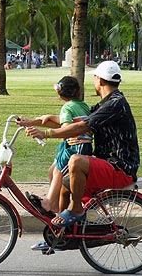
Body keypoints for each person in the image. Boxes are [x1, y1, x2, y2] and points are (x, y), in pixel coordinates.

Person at [25, 61, 140, 228]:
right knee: (65, 184)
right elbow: (71, 122)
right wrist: (31, 122)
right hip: (108, 165)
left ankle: (76, 209)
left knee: (76, 161)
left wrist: (46, 134)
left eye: (94, 78)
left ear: (99, 80)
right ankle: (60, 233)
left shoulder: (115, 104)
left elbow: (82, 127)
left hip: (120, 168)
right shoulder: (106, 104)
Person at [17, 76, 92, 218]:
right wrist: (31, 122)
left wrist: (44, 133)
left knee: (58, 170)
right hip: (75, 146)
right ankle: (56, 205)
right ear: (78, 91)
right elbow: (56, 121)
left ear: (60, 94)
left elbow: (65, 128)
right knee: (53, 170)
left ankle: (50, 202)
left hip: (77, 147)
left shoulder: (67, 107)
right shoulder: (82, 105)